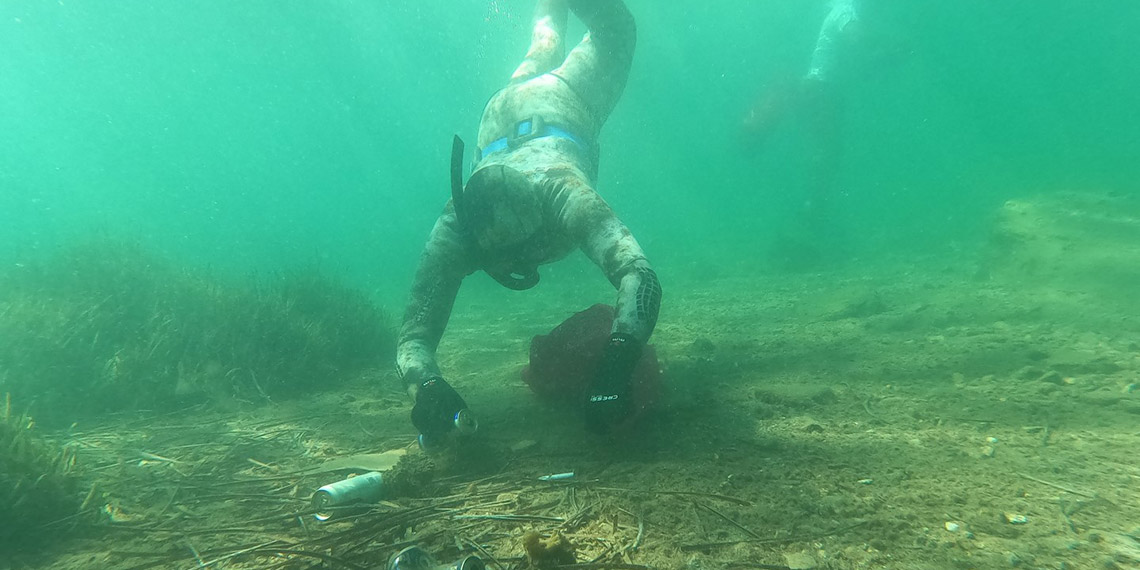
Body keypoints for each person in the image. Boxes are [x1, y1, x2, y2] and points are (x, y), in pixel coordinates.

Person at [395, 0, 661, 446]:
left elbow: (640, 274)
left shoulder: (559, 190)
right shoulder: (457, 223)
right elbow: (637, 273)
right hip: (509, 110)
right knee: (557, 41)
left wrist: (617, 363)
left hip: (558, 101)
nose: (517, 259)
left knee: (605, 31)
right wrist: (427, 389)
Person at [741, 0, 862, 268]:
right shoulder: (845, 8)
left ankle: (756, 125)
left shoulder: (829, 10)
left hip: (816, 85)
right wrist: (872, 52)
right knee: (825, 153)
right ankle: (813, 212)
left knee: (822, 151)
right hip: (823, 89)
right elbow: (854, 39)